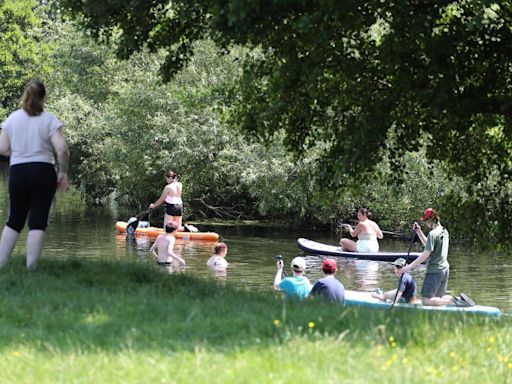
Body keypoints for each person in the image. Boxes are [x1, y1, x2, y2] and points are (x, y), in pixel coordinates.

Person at [0, 80, 69, 270]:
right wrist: (63, 172)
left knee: (14, 220)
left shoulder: (12, 119)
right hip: (43, 171)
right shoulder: (48, 120)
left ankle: (1, 266)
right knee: (37, 221)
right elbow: (62, 149)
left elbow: (2, 148)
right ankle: (32, 269)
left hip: (18, 172)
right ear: (43, 98)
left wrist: (20, 154)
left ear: (25, 96)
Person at [398, 208, 454, 306]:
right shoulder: (444, 231)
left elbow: (425, 255)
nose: (426, 224)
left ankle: (454, 302)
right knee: (437, 300)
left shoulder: (432, 234)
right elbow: (429, 245)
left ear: (431, 220)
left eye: (426, 221)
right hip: (444, 269)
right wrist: (419, 232)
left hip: (434, 270)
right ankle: (455, 300)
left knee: (426, 300)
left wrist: (407, 267)